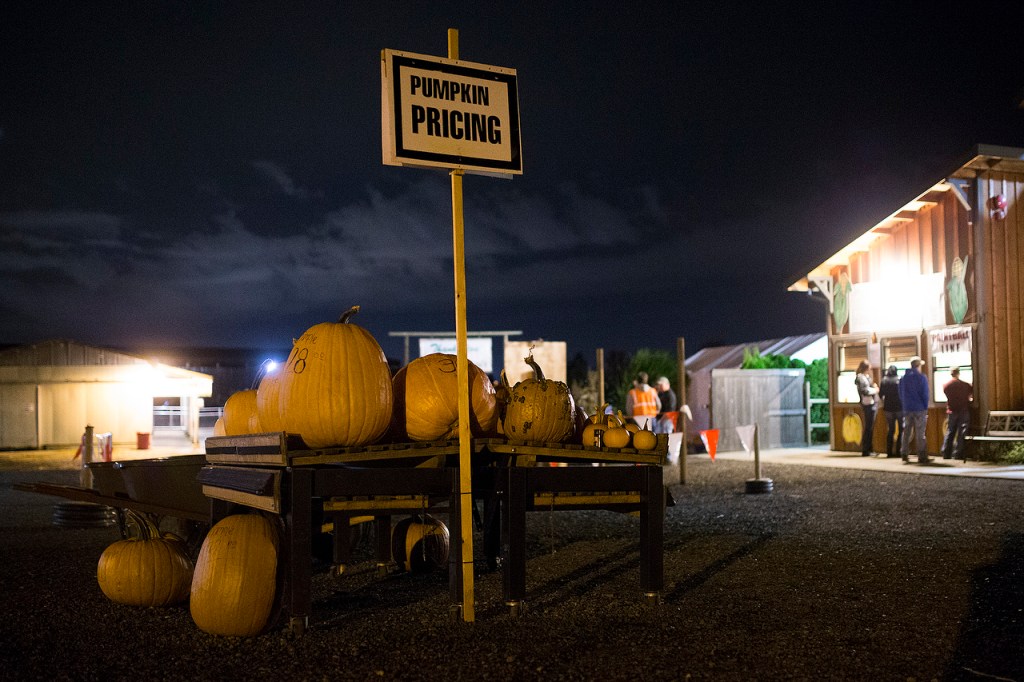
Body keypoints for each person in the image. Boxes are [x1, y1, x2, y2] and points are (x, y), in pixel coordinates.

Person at [899, 356, 930, 464]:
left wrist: (905, 404)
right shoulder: (921, 377)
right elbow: (925, 394)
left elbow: (900, 394)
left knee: (906, 431)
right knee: (920, 433)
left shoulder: (903, 378)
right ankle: (921, 455)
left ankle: (904, 453)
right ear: (918, 366)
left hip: (907, 409)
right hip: (919, 408)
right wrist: (925, 406)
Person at [941, 367, 973, 460]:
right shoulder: (965, 385)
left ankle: (946, 453)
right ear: (959, 373)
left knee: (950, 431)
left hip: (951, 411)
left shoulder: (946, 385)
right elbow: (971, 393)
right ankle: (958, 453)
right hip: (963, 410)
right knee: (962, 432)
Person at [854, 361, 879, 456]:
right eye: (869, 368)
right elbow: (865, 391)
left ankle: (869, 448)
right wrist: (875, 390)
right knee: (868, 427)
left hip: (869, 403)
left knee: (869, 427)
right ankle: (866, 449)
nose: (870, 370)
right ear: (866, 368)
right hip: (868, 404)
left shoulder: (864, 377)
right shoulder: (861, 378)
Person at [878, 365, 903, 459]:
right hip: (899, 408)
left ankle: (889, 451)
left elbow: (881, 395)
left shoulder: (884, 380)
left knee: (891, 430)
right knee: (901, 429)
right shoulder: (899, 379)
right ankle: (898, 451)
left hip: (888, 408)